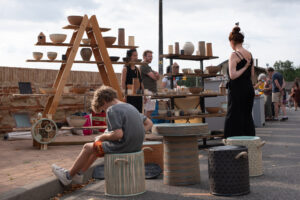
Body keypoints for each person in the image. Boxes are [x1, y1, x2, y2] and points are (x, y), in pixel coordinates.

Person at [52, 86, 153, 186]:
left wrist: (102, 137)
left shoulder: (112, 109)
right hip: (136, 145)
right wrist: (133, 132)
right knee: (97, 147)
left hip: (124, 146)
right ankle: (79, 174)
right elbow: (149, 123)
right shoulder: (129, 106)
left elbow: (118, 134)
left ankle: (68, 176)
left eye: (102, 109)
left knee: (87, 147)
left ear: (104, 101)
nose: (104, 111)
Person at [224, 25, 255, 138]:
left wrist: (243, 67)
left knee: (233, 117)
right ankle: (249, 144)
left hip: (237, 90)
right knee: (247, 116)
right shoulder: (250, 55)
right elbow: (252, 75)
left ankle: (232, 146)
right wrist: (247, 67)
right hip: (248, 89)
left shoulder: (234, 55)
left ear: (232, 41)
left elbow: (232, 75)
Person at [121, 48, 143, 113]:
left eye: (137, 55)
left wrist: (144, 94)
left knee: (139, 113)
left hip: (138, 95)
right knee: (130, 113)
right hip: (129, 95)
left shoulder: (138, 69)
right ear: (129, 56)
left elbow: (141, 82)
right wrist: (124, 95)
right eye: (134, 55)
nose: (136, 57)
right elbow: (123, 83)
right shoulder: (125, 69)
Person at [140, 50, 160, 117]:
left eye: (151, 56)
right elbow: (155, 77)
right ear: (144, 57)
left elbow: (158, 77)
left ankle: (146, 126)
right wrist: (156, 75)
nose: (151, 58)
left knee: (149, 111)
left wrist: (156, 75)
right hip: (148, 91)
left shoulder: (148, 67)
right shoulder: (144, 66)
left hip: (150, 91)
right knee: (148, 111)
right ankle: (145, 125)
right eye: (149, 56)